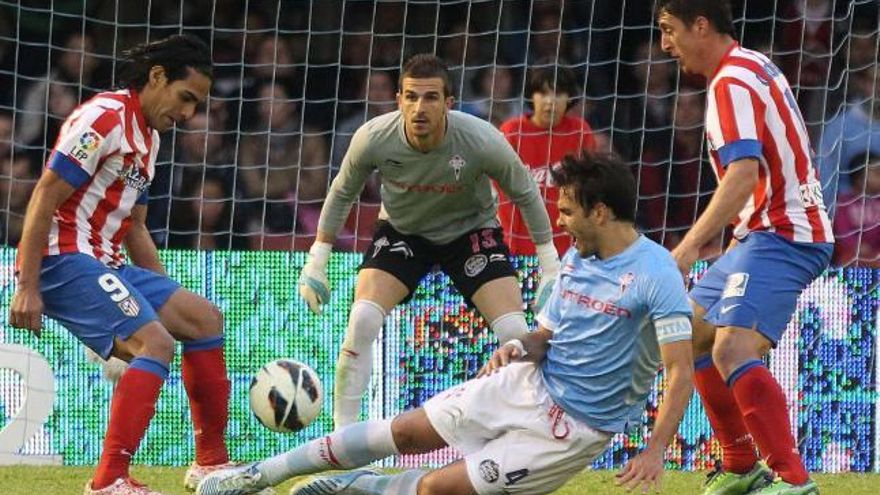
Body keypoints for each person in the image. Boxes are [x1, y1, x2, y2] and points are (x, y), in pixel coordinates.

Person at [197, 152, 695, 495]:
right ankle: (253, 478)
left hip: (572, 431)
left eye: (567, 212)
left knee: (438, 488)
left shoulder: (657, 276)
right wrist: (519, 347)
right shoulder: (579, 257)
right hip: (526, 383)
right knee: (407, 431)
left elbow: (679, 373)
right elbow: (548, 335)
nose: (559, 221)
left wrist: (654, 451)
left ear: (601, 212)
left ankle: (363, 486)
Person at [7, 34, 252, 495]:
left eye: (196, 105)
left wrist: (155, 295)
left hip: (109, 263)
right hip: (65, 257)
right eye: (186, 99)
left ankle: (210, 464)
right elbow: (44, 194)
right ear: (157, 77)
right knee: (155, 344)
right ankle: (108, 481)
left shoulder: (150, 139)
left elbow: (136, 226)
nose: (188, 115)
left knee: (203, 319)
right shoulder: (104, 118)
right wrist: (27, 284)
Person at [297, 53, 561, 430]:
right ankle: (343, 441)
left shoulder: (481, 139)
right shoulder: (373, 138)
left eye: (431, 97)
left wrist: (550, 268)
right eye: (411, 96)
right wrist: (316, 260)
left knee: (515, 334)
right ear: (399, 100)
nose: (420, 107)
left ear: (449, 103)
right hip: (403, 231)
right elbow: (342, 194)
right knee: (362, 320)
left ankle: (534, 433)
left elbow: (525, 193)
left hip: (470, 231)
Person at [657, 1, 834, 494]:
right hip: (761, 232)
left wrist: (688, 248)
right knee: (692, 333)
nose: (664, 45)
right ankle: (739, 465)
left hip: (786, 232)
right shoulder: (750, 63)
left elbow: (742, 175)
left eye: (670, 30)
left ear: (701, 25)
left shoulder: (730, 81)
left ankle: (795, 482)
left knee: (732, 346)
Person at [496, 63, 596, 256]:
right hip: (517, 248)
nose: (550, 102)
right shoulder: (511, 132)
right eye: (543, 93)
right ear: (531, 97)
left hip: (567, 250)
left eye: (558, 94)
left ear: (569, 98)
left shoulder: (580, 131)